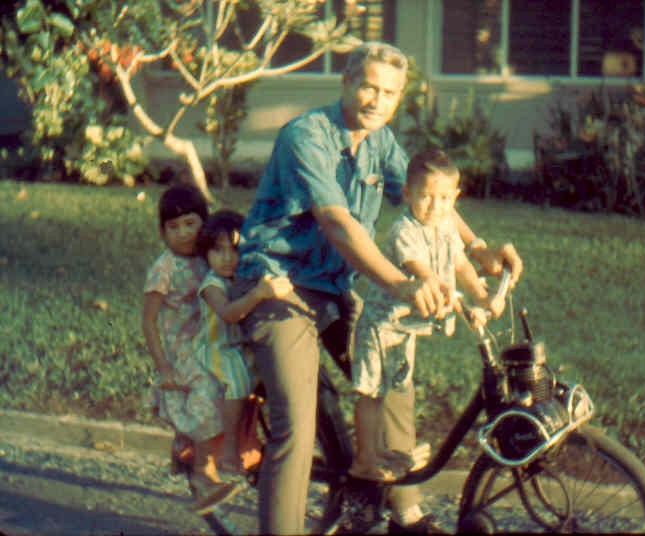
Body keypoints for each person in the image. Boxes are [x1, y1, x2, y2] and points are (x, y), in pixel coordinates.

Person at [233, 42, 523, 534]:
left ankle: (404, 513)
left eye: (388, 93)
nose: (376, 100)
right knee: (296, 429)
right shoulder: (308, 136)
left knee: (393, 380)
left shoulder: (381, 142)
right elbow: (337, 223)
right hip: (278, 287)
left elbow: (430, 195)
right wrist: (400, 283)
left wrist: (478, 249)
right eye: (368, 87)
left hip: (336, 287)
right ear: (346, 83)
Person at [349, 148, 505, 484]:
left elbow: (461, 263)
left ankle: (383, 452)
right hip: (381, 324)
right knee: (372, 392)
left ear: (456, 198)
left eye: (445, 198)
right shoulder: (404, 230)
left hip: (405, 328)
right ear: (406, 194)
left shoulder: (446, 223)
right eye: (425, 197)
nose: (435, 207)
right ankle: (365, 460)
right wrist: (445, 292)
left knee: (396, 387)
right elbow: (420, 271)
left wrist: (482, 295)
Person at [141, 185, 243, 516]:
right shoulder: (165, 268)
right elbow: (149, 321)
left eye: (190, 223)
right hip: (182, 352)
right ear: (162, 232)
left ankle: (187, 445)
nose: (183, 234)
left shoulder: (208, 256)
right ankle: (203, 473)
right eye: (173, 227)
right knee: (210, 390)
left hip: (209, 340)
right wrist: (163, 367)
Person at [194, 209, 293, 474]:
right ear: (206, 254)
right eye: (218, 251)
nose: (227, 259)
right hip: (218, 348)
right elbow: (228, 314)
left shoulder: (244, 277)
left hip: (243, 346)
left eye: (234, 250)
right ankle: (229, 450)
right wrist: (259, 294)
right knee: (237, 381)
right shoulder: (212, 285)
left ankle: (261, 436)